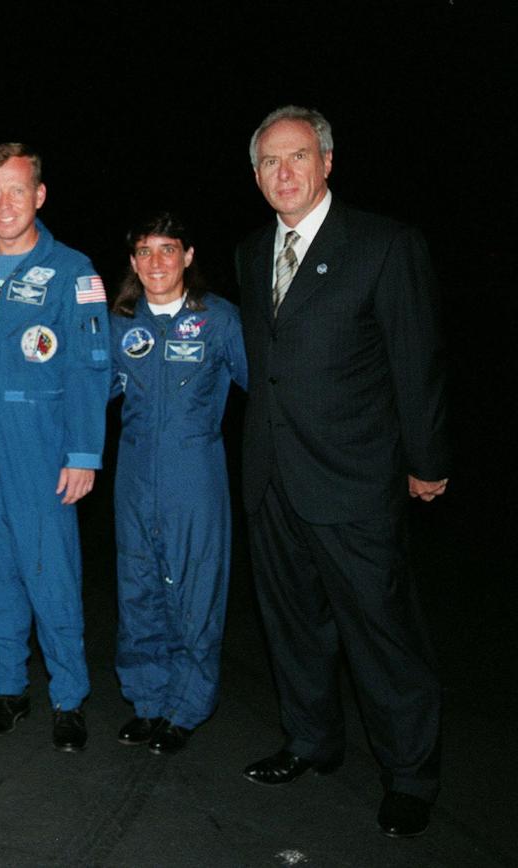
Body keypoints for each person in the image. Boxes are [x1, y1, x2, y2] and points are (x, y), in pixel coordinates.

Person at [237, 106, 449, 838]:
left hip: (353, 480)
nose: (283, 173)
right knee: (293, 627)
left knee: (383, 635)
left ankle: (411, 775)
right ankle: (311, 741)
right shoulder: (248, 251)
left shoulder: (385, 245)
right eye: (269, 162)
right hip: (272, 480)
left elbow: (415, 361)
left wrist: (427, 462)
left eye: (297, 156)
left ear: (327, 161)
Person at [0, 143, 110, 752]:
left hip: (41, 444)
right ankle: (7, 689)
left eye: (17, 189)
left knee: (50, 572)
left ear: (39, 195)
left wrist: (84, 452)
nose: (5, 203)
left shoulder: (74, 270)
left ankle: (69, 698)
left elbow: (92, 366)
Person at [108, 213, 247, 755]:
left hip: (196, 473)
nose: (157, 262)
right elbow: (85, 392)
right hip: (135, 472)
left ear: (188, 256)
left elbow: (269, 388)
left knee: (194, 589)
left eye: (168, 250)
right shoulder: (120, 321)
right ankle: (147, 700)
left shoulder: (219, 320)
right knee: (137, 587)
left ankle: (186, 706)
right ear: (133, 262)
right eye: (144, 251)